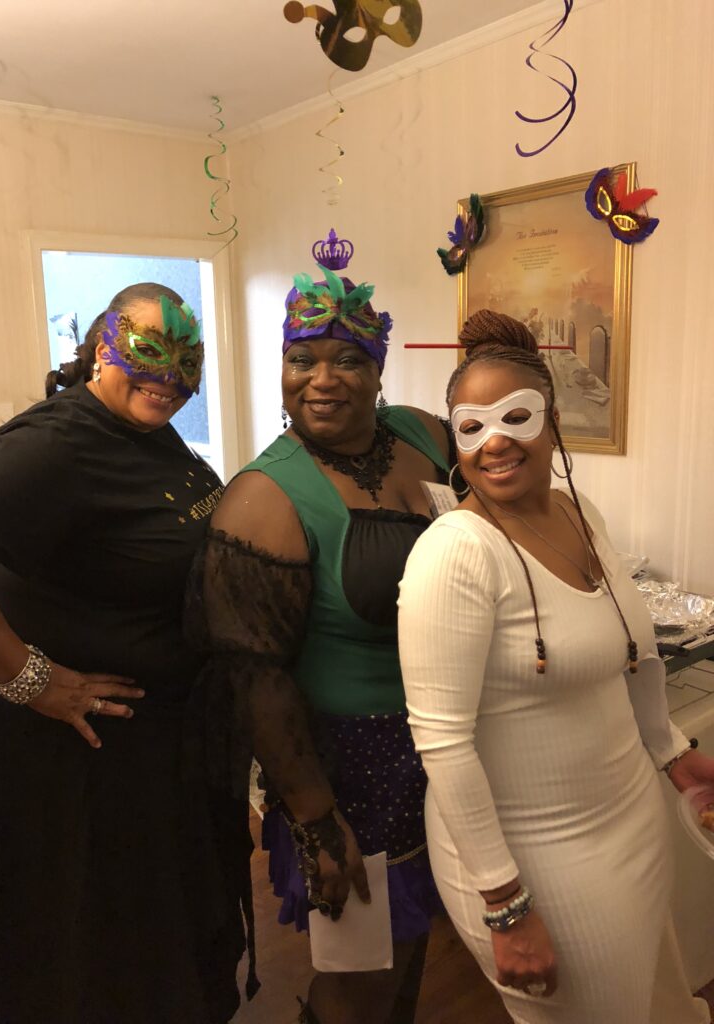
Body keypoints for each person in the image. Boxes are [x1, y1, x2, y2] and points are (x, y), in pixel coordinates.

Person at [397, 308, 714, 1023]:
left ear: (553, 422)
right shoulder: (454, 554)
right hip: (533, 853)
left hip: (628, 816)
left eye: (516, 417)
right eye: (471, 427)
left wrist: (669, 750)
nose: (495, 442)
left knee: (658, 997)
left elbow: (634, 654)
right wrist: (505, 904)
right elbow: (442, 743)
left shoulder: (578, 511)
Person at [0, 283, 249, 1024]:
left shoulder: (147, 432)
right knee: (83, 952)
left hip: (150, 750)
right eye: (149, 350)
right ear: (101, 349)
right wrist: (30, 678)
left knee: (146, 943)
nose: (169, 376)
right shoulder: (58, 443)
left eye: (187, 359)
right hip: (72, 756)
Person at [184, 230, 450, 1024]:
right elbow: (252, 678)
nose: (323, 379)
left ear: (379, 370)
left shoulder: (423, 435)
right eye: (302, 359)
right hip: (354, 763)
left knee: (413, 947)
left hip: (447, 743)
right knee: (359, 975)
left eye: (348, 360)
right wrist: (314, 819)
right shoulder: (262, 499)